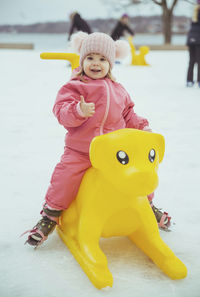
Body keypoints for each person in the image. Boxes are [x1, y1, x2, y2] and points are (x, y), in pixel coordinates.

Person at [24, 32, 171, 247]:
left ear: (110, 63)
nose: (96, 63)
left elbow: (128, 113)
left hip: (114, 152)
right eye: (90, 57)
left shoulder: (118, 89)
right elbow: (61, 112)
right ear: (82, 60)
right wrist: (78, 110)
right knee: (65, 176)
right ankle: (50, 215)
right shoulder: (74, 87)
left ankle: (147, 206)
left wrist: (142, 126)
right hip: (81, 150)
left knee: (140, 171)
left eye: (102, 59)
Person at [186, 1, 200, 87]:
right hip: (198, 40)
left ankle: (189, 80)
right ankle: (199, 81)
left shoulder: (194, 13)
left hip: (191, 40)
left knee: (192, 61)